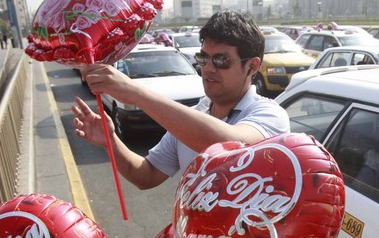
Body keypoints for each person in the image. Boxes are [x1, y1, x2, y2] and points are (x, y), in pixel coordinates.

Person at [72, 10, 290, 190]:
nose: (208, 68)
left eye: (221, 60)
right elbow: (146, 175)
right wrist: (110, 141)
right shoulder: (196, 115)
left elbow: (230, 148)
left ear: (251, 66)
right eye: (203, 57)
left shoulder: (269, 114)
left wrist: (135, 92)